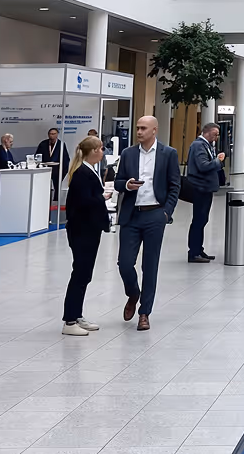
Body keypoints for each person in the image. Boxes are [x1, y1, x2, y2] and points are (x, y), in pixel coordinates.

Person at [114, 114, 180, 331]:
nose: (139, 131)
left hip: (155, 214)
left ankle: (145, 313)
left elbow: (174, 185)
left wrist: (166, 212)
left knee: (150, 266)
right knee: (124, 263)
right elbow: (117, 181)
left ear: (154, 130)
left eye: (143, 128)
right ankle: (133, 293)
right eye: (138, 127)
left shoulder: (168, 154)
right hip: (131, 215)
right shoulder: (128, 153)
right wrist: (127, 185)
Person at [62, 135, 111, 335]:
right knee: (80, 273)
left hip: (90, 229)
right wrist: (102, 197)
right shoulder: (82, 173)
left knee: (85, 274)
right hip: (82, 230)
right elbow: (83, 202)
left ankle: (77, 314)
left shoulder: (90, 170)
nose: (103, 152)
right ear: (93, 151)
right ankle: (70, 321)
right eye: (100, 148)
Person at [186, 121, 225, 261]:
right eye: (215, 134)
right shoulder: (198, 145)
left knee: (202, 219)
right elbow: (203, 166)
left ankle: (198, 249)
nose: (216, 137)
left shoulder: (206, 145)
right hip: (200, 187)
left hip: (205, 187)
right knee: (199, 219)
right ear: (207, 132)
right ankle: (194, 252)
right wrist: (218, 161)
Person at [35, 126, 70, 201]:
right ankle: (44, 199)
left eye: (54, 134)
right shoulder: (43, 144)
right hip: (45, 168)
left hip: (57, 168)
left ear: (57, 134)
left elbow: (66, 158)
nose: (52, 136)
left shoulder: (61, 144)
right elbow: (37, 156)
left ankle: (56, 200)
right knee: (44, 185)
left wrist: (64, 170)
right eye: (50, 134)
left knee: (57, 186)